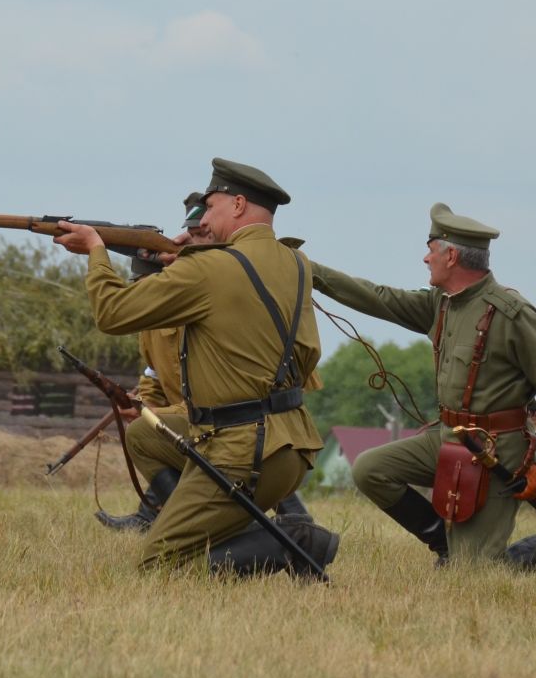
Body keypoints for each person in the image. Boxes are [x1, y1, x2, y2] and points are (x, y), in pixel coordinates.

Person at [54, 159, 336, 575]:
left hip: (243, 450)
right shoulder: (295, 263)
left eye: (211, 206)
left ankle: (293, 541)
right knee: (145, 435)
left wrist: (97, 251)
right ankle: (215, 519)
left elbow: (112, 314)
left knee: (158, 568)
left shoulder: (209, 269)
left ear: (238, 205)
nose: (202, 218)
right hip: (292, 442)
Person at [312, 203, 536, 566]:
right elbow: (377, 297)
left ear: (451, 255)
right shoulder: (441, 303)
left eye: (431, 249)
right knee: (370, 469)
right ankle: (445, 546)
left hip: (496, 452)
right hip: (447, 438)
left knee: (475, 575)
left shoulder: (512, 314)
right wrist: (309, 272)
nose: (425, 258)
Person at [95, 194, 315, 533]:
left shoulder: (213, 283)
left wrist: (94, 252)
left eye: (203, 231)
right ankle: (161, 513)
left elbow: (213, 370)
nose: (197, 238)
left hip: (235, 411)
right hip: (215, 412)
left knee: (189, 436)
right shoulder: (191, 285)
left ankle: (279, 522)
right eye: (194, 232)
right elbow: (157, 368)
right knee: (157, 434)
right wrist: (148, 402)